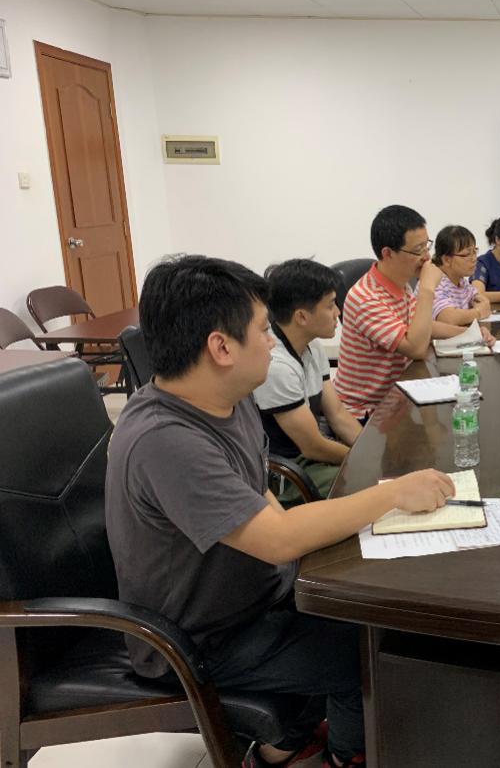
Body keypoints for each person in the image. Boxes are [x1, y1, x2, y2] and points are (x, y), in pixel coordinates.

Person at [106, 255, 455, 768]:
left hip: (252, 599)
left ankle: (283, 746)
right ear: (221, 348)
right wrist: (392, 494)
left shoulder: (229, 398)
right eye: (262, 330)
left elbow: (262, 503)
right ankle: (346, 756)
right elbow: (276, 539)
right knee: (367, 652)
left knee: (371, 604)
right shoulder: (166, 440)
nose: (272, 342)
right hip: (200, 638)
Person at [334, 205, 494, 420]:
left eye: (427, 246)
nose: (427, 257)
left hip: (401, 396)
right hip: (369, 412)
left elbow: (423, 326)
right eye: (418, 250)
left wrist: (470, 334)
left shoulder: (400, 284)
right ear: (388, 253)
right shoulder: (366, 297)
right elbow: (416, 348)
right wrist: (427, 288)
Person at [254, 259, 362, 504]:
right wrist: (363, 460)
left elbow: (337, 414)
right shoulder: (277, 366)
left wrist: (370, 452)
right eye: (331, 305)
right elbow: (312, 446)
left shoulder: (312, 345)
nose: (338, 312)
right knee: (367, 483)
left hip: (311, 458)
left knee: (378, 472)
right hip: (287, 473)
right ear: (302, 316)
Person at [431, 225, 492, 325]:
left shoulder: (461, 280)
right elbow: (448, 318)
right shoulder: (434, 281)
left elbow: (481, 300)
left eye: (474, 252)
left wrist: (479, 305)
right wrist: (478, 312)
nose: (474, 259)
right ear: (447, 259)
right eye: (467, 254)